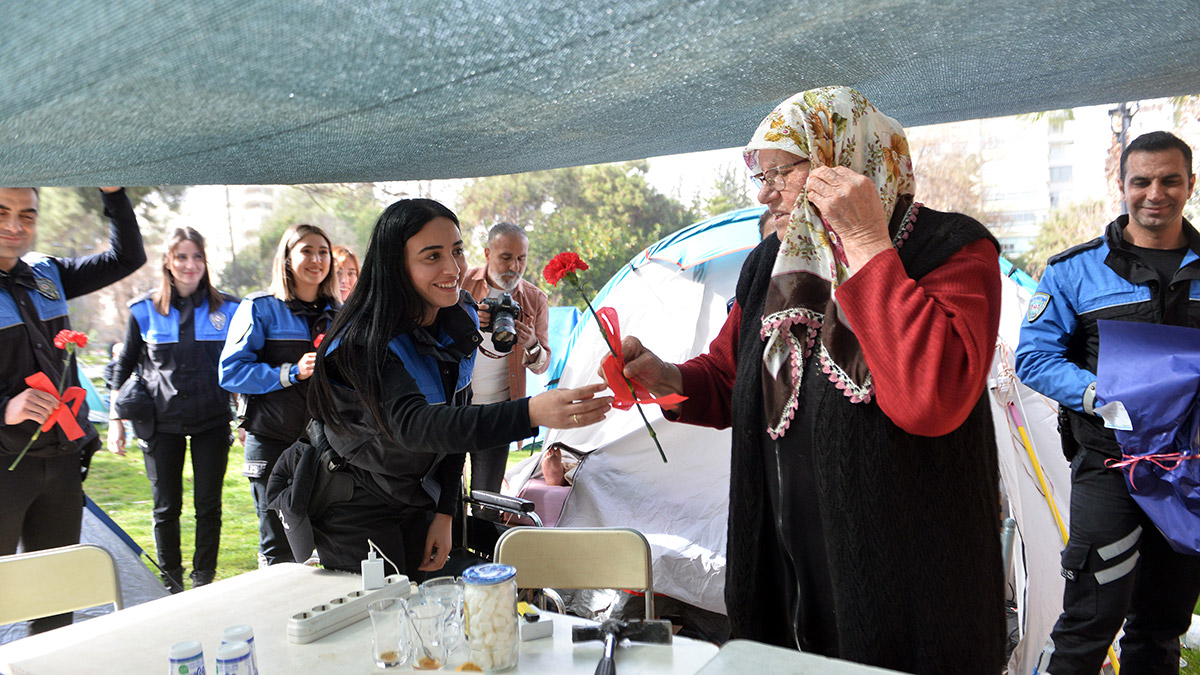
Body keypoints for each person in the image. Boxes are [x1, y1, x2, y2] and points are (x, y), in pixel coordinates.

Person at [618, 87, 1006, 672]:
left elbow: (933, 397)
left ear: (844, 156)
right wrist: (664, 376)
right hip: (785, 561)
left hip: (906, 573)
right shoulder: (772, 261)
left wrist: (869, 243)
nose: (767, 190)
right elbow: (731, 377)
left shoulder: (951, 248)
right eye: (760, 174)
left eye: (783, 169)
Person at [269, 198, 609, 578]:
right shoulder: (362, 341)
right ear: (395, 265)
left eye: (457, 251)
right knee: (382, 622)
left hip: (417, 497)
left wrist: (445, 511)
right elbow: (417, 425)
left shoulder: (452, 321)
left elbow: (453, 422)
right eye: (432, 256)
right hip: (354, 507)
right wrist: (531, 412)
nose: (453, 268)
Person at [1016, 130, 1200, 674]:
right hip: (1109, 464)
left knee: (1162, 627)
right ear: (1120, 185)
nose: (1155, 193)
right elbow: (1035, 360)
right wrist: (1101, 395)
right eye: (1140, 181)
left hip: (1189, 476)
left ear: (1190, 184)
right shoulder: (1073, 270)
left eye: (1170, 180)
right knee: (1091, 619)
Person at [0, 186, 145, 633]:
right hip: (5, 466)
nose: (14, 227)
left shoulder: (48, 273)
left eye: (27, 215)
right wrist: (5, 408)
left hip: (61, 464)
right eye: (2, 213)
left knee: (57, 599)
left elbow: (126, 258)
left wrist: (114, 194)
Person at [108, 227, 240, 591]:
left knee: (208, 505)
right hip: (160, 424)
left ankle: (203, 579)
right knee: (166, 508)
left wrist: (243, 416)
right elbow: (124, 365)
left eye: (196, 256)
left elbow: (239, 365)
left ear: (205, 262)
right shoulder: (144, 311)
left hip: (211, 421)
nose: (190, 264)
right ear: (168, 261)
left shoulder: (229, 309)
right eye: (181, 257)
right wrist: (114, 421)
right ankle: (171, 581)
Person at [220, 223, 339, 566]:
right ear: (287, 259)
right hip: (272, 440)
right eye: (306, 251)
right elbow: (230, 372)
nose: (316, 260)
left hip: (327, 444)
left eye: (323, 252)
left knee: (330, 540)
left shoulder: (341, 313)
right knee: (279, 545)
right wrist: (290, 373)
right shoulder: (259, 308)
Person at [461, 222, 550, 493]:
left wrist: (531, 343)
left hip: (498, 410)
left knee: (487, 497)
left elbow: (543, 363)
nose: (515, 266)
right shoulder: (459, 283)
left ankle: (486, 536)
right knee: (445, 494)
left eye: (521, 258)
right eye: (506, 257)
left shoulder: (535, 298)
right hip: (453, 404)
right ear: (488, 254)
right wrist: (469, 322)